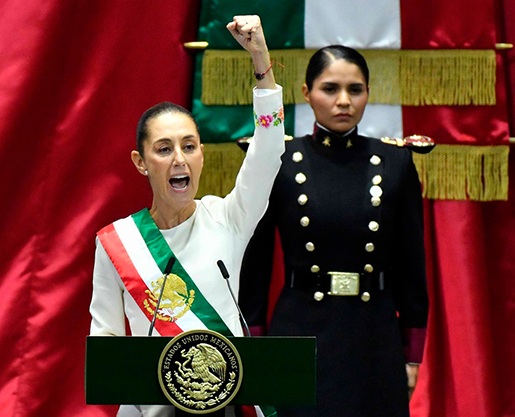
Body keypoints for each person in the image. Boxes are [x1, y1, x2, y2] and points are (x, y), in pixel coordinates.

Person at [89, 16, 284, 417]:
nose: (179, 159)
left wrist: (261, 61)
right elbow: (106, 343)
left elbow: (268, 152)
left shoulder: (228, 217)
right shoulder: (116, 242)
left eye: (189, 146)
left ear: (201, 155)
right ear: (140, 162)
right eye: (164, 149)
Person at [239, 45, 429, 417]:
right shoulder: (281, 161)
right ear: (307, 93)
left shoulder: (395, 162)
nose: (343, 101)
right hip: (299, 333)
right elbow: (255, 265)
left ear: (368, 93)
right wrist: (255, 346)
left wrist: (412, 355)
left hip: (373, 336)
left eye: (355, 89)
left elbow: (411, 269)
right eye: (330, 89)